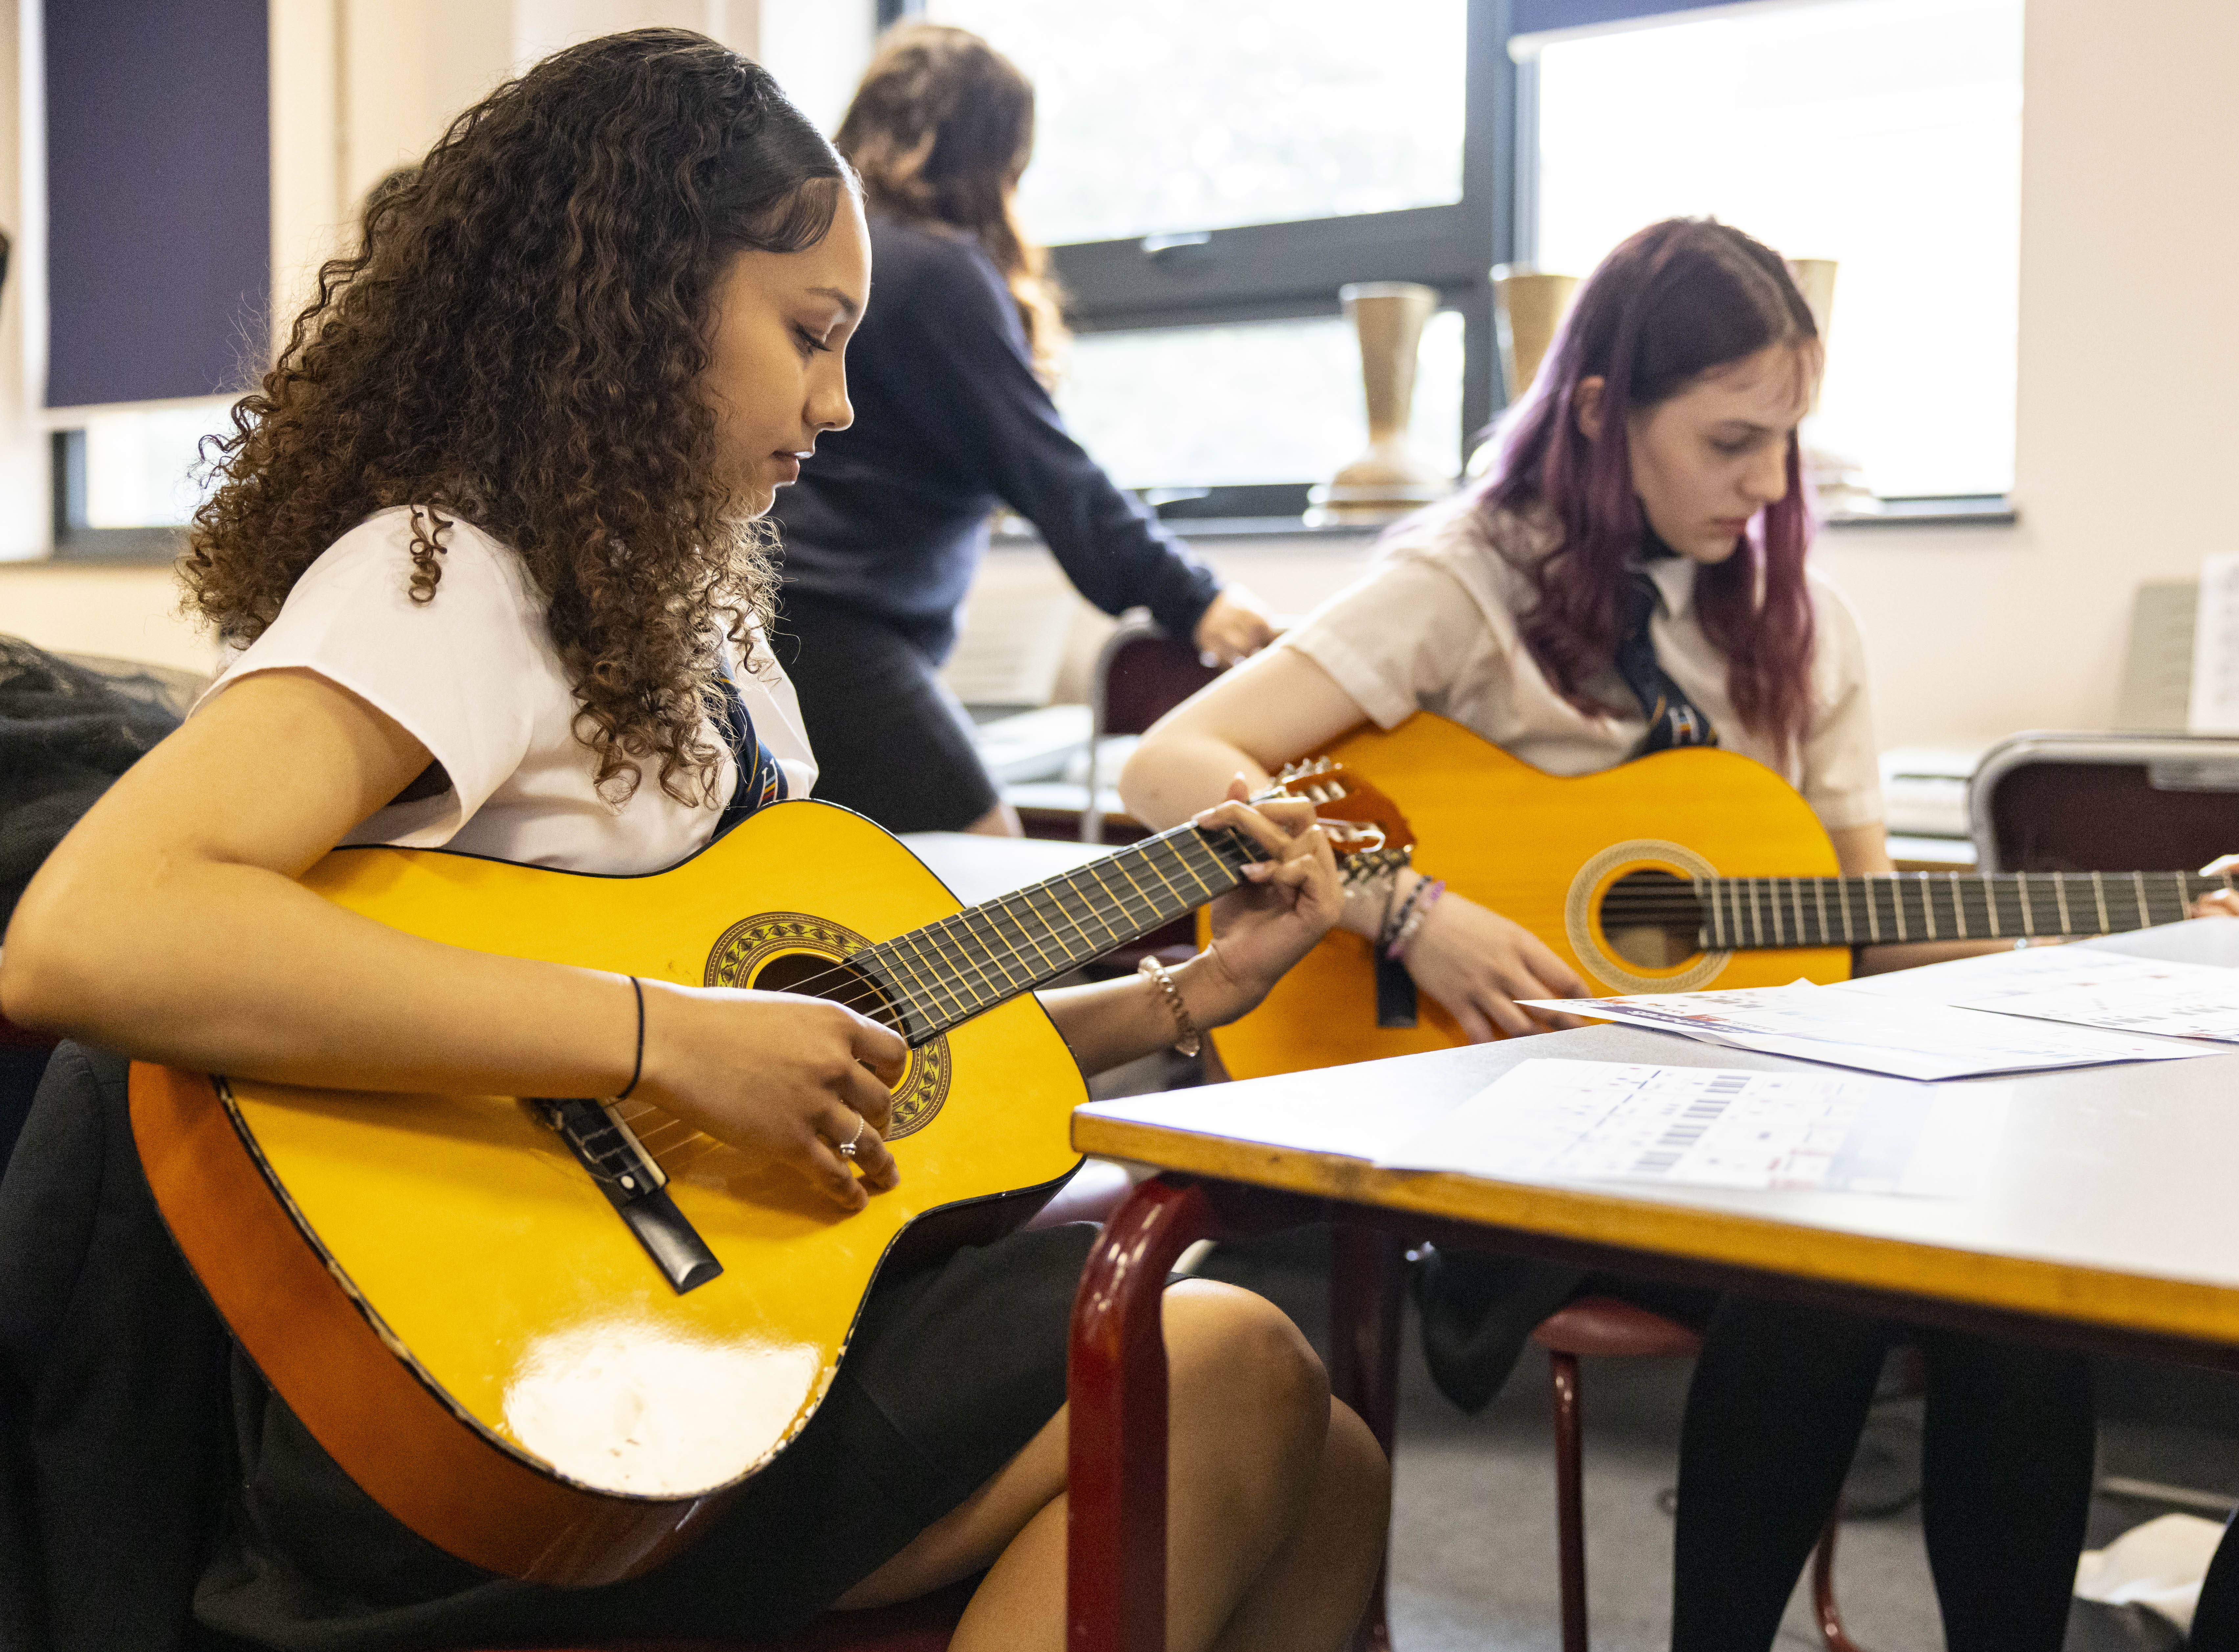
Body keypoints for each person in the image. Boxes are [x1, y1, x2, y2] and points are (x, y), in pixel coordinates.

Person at [0, 32, 1387, 1652]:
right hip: (505, 1391)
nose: (838, 404)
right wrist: (664, 1038)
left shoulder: (702, 626)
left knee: (1338, 1474)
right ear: (646, 299)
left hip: (705, 1320)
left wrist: (1175, 1001)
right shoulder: (446, 581)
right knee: (1220, 1366)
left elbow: (839, 1046)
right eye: (810, 334)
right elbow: (92, 928)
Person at [1119, 218, 2094, 1652]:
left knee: (2018, 1277)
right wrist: (1410, 911)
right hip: (1509, 1106)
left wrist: (2099, 951)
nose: (1769, 486)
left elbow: (1866, 922)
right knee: (1825, 1266)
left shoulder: (1802, 626)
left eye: (1788, 441)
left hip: (1750, 1117)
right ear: (1596, 412)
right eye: (1730, 441)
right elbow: (1173, 765)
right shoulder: (1468, 585)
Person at [764, 22, 1281, 837]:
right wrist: (1196, 598)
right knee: (986, 863)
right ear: (988, 156)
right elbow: (1047, 467)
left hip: (763, 613)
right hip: (834, 629)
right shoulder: (934, 270)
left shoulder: (824, 256)